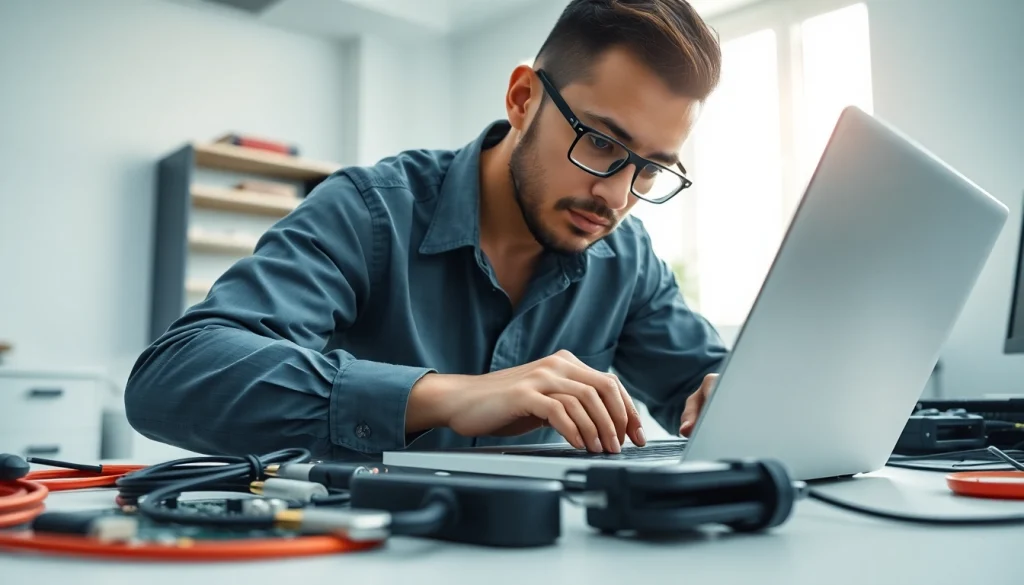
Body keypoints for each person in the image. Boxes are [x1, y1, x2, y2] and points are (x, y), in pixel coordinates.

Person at [125, 0, 728, 460]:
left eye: (650, 169)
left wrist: (728, 395)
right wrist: (449, 396)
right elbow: (172, 378)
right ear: (522, 99)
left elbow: (707, 386)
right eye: (600, 143)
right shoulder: (369, 210)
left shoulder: (627, 258)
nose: (618, 196)